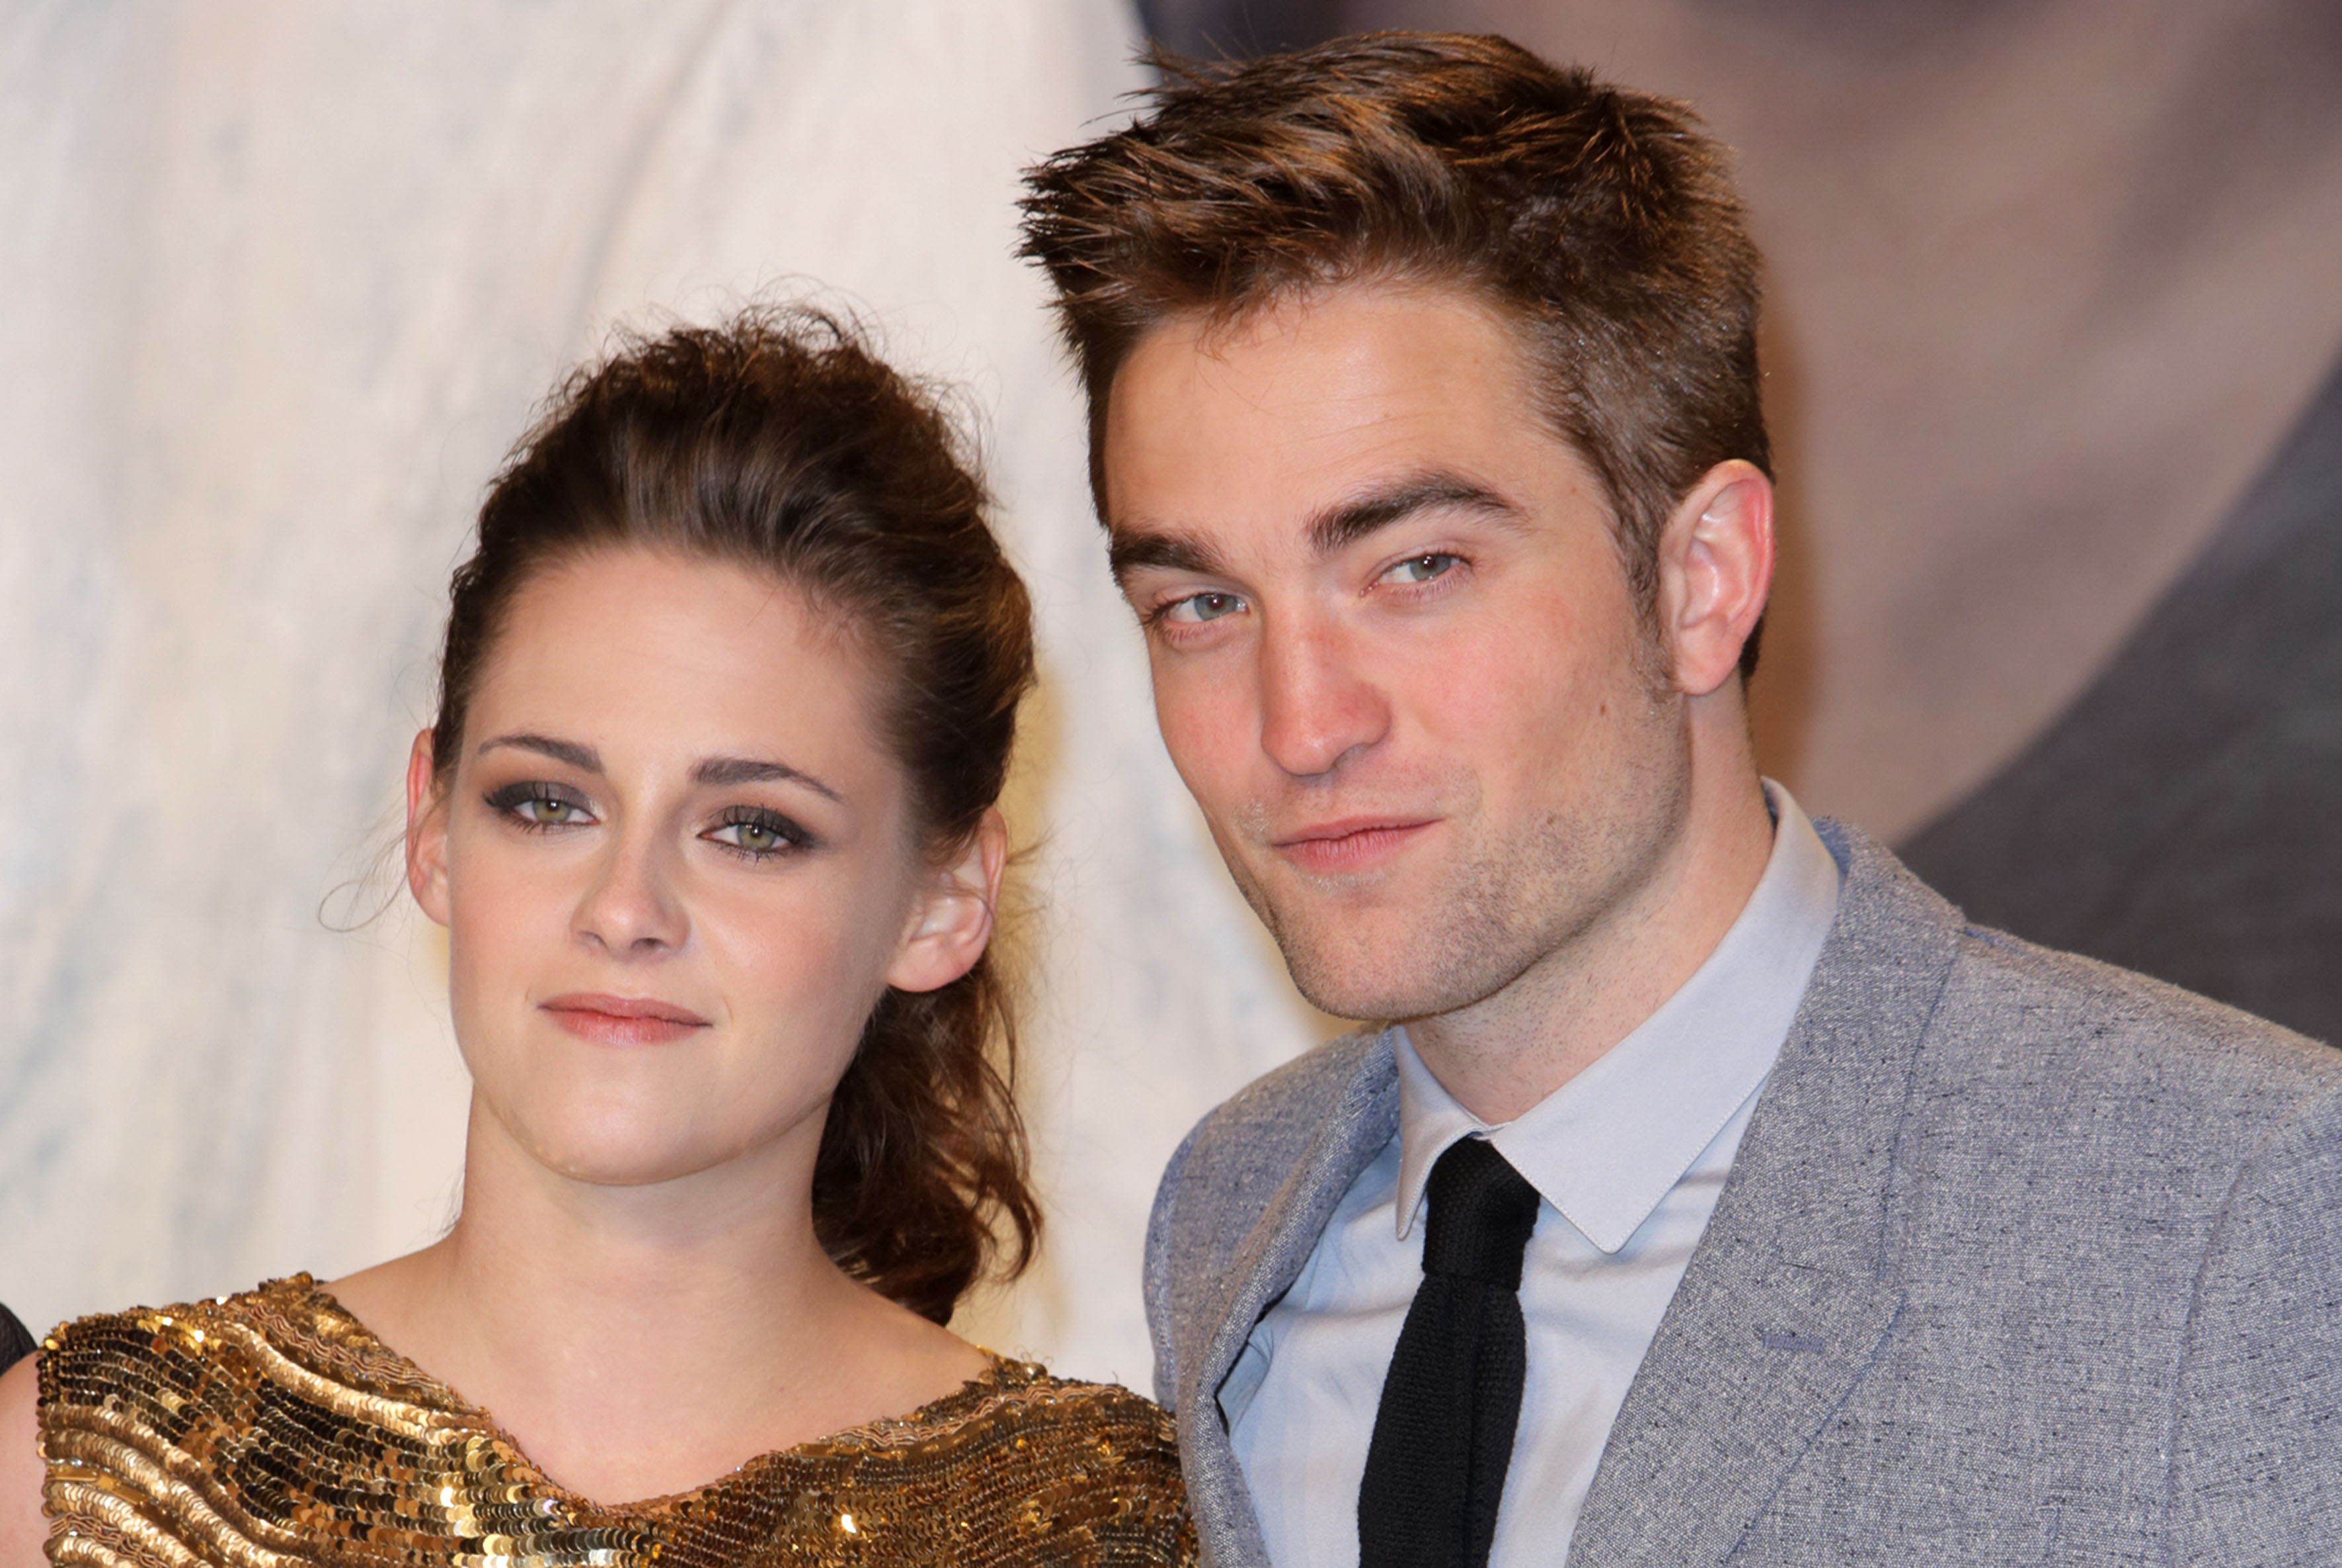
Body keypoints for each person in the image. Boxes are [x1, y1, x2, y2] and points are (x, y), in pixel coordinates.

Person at [1019, 32, 2342, 1568]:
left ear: (1700, 578)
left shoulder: (2233, 1214)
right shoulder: (1230, 1211)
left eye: (1417, 568)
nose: (1298, 727)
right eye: (1200, 605)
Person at [0, 310, 1194, 1567]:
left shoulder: (1115, 1530)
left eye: (752, 829)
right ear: (433, 829)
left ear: (941, 901)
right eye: (547, 804)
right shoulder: (66, 1482)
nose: (625, 909)